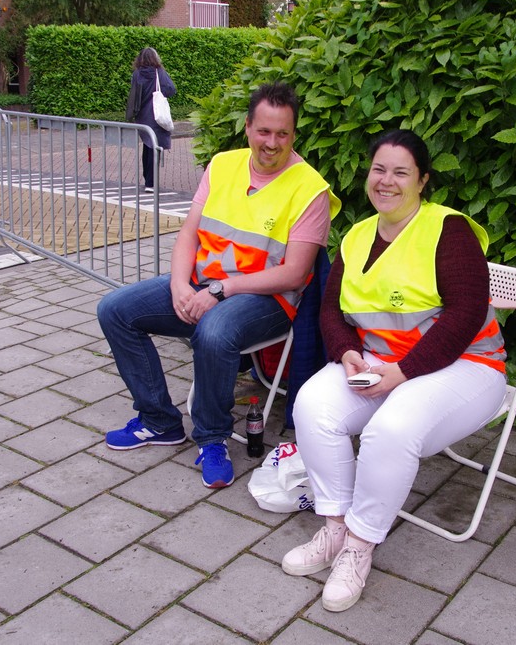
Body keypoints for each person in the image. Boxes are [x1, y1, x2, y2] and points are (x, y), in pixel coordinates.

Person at [281, 129, 508, 612]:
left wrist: (402, 372)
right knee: (312, 405)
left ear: (422, 181)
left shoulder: (449, 230)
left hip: (469, 367)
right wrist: (346, 351)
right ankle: (335, 528)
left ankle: (359, 546)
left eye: (401, 172)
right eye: (379, 169)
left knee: (391, 429)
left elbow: (467, 314)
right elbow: (331, 311)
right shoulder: (358, 235)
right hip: (383, 364)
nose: (386, 181)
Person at [97, 81, 341, 488]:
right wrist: (180, 285)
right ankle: (159, 421)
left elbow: (295, 274)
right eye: (264, 131)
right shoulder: (223, 165)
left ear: (294, 134)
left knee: (214, 332)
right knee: (115, 310)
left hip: (268, 299)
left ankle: (211, 438)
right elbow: (189, 234)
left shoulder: (310, 189)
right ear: (247, 127)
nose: (272, 143)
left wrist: (219, 290)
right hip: (202, 282)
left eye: (282, 134)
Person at [126, 47, 176, 192]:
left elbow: (134, 94)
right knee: (154, 146)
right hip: (156, 115)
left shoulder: (137, 74)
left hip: (142, 115)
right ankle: (150, 182)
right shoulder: (159, 72)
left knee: (147, 145)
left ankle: (147, 179)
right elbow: (171, 89)